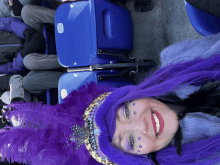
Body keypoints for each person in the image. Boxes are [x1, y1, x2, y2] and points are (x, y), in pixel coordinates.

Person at [1, 33, 220, 165]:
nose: (141, 125)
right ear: (137, 158)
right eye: (131, 141)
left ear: (127, 97)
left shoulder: (179, 59)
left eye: (126, 113)